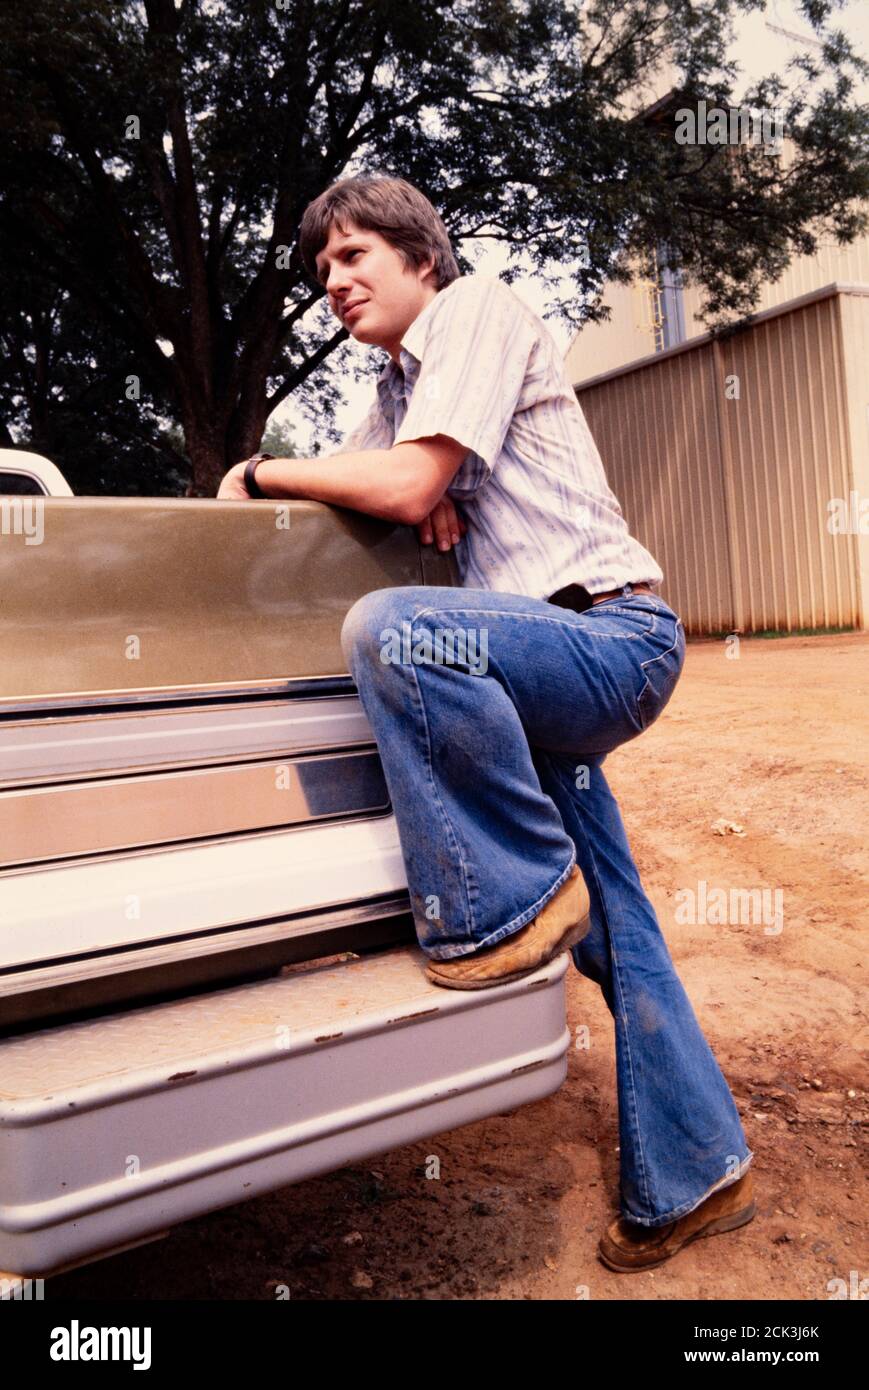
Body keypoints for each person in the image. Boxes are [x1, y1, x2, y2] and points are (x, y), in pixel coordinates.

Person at [217, 173, 755, 1273]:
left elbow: (407, 491)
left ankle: (504, 905)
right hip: (521, 672)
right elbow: (379, 485)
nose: (333, 281)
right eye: (321, 268)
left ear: (421, 258)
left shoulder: (479, 310)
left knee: (397, 631)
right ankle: (698, 1170)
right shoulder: (393, 387)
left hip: (609, 640)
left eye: (355, 255)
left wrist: (267, 468)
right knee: (621, 930)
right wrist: (378, 481)